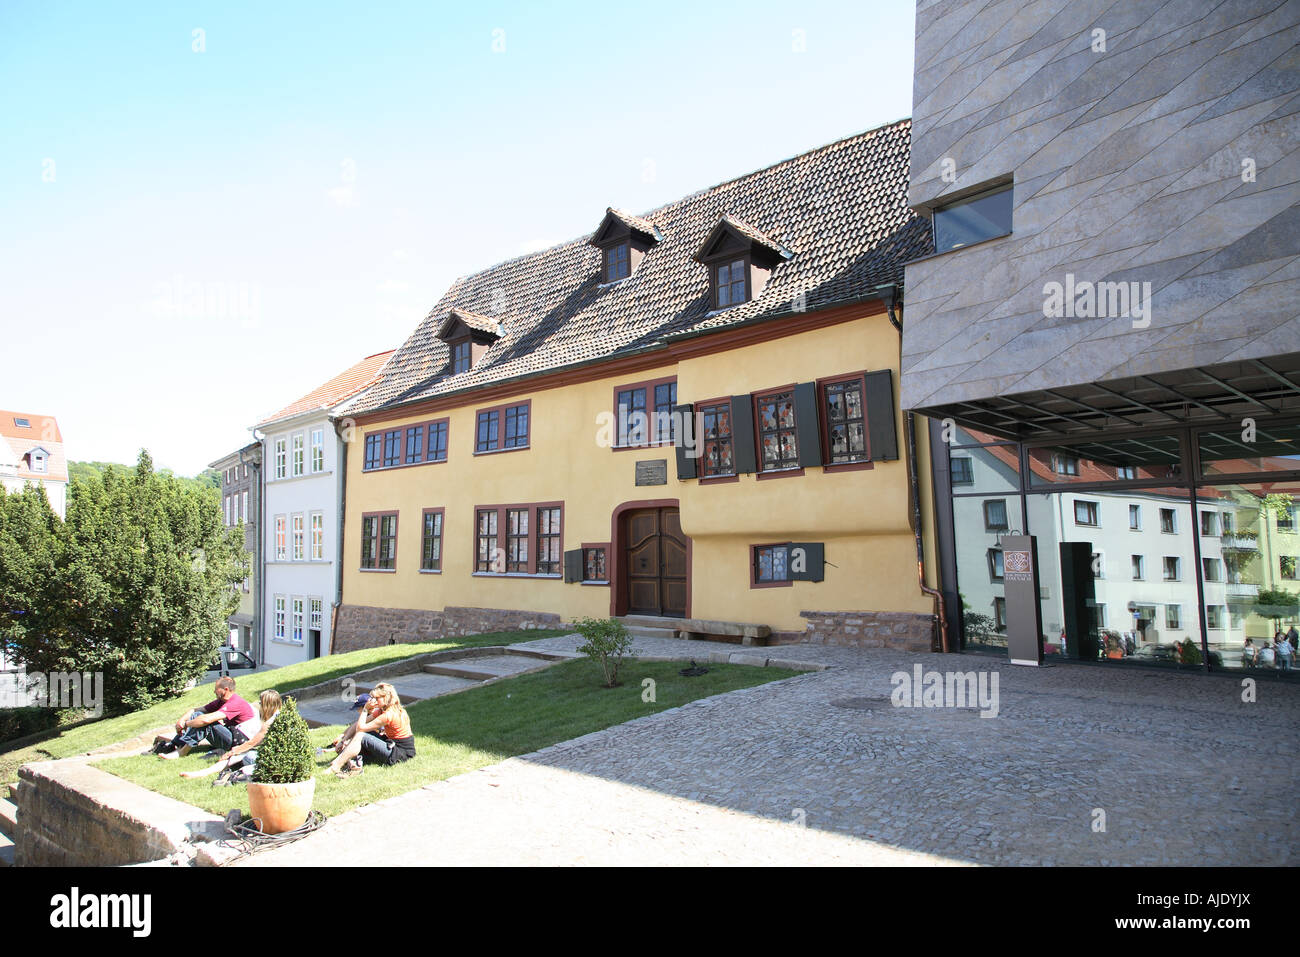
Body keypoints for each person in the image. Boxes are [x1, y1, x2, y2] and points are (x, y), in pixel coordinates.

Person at [180, 690, 281, 781]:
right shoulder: (280, 716)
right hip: (273, 753)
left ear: (266, 705)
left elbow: (251, 743)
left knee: (243, 755)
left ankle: (201, 773)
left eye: (260, 703)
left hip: (272, 759)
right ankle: (202, 772)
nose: (259, 705)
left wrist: (232, 752)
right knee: (240, 753)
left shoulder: (269, 723)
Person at [158, 676, 259, 760]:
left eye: (216, 688)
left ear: (226, 689)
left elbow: (206, 720)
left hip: (237, 742)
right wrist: (181, 720)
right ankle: (174, 744)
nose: (214, 691)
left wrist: (186, 724)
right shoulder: (221, 701)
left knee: (203, 721)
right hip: (231, 735)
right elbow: (195, 710)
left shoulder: (236, 702)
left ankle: (182, 751)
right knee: (197, 715)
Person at [327, 682, 415, 777]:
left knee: (362, 735)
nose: (374, 701)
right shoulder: (383, 710)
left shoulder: (388, 714)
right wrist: (344, 740)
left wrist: (365, 709)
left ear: (385, 697)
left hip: (400, 753)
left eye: (376, 698)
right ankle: (349, 763)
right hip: (391, 743)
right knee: (361, 735)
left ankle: (337, 766)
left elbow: (360, 728)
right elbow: (357, 724)